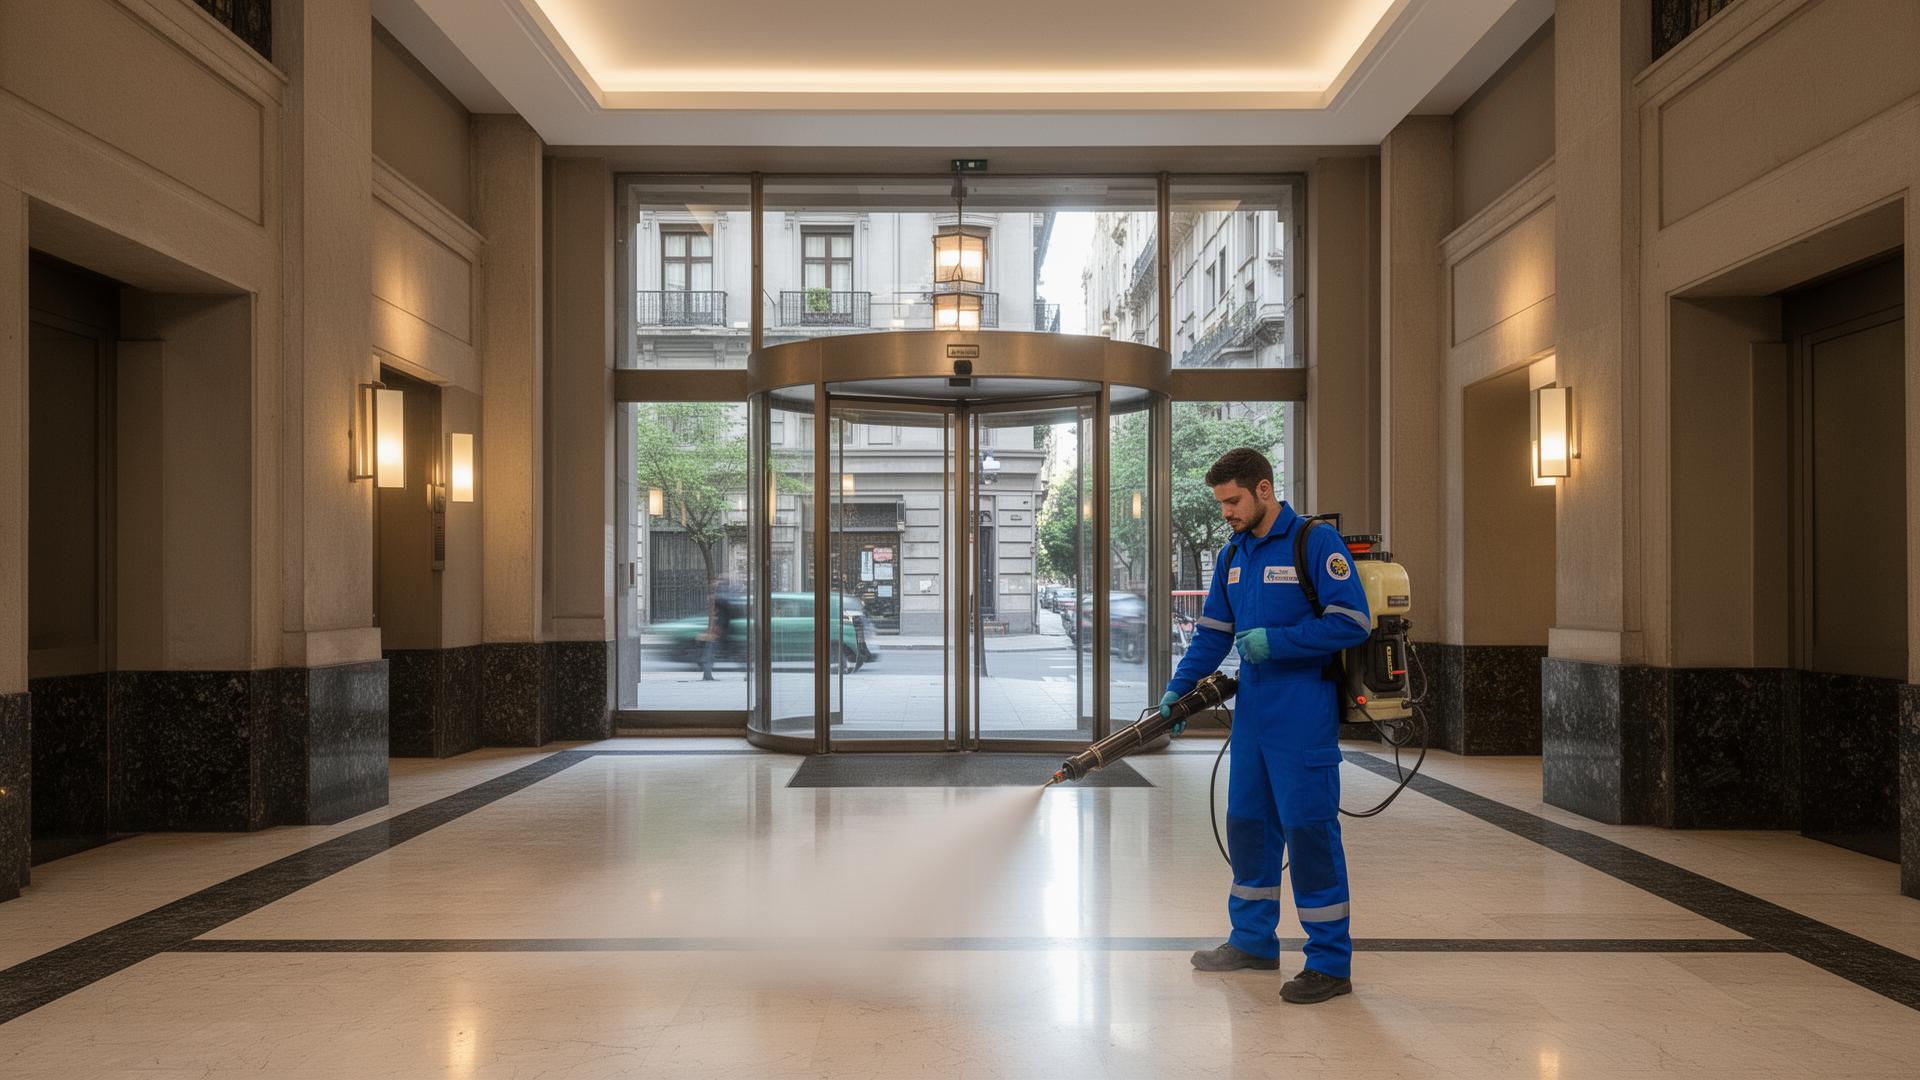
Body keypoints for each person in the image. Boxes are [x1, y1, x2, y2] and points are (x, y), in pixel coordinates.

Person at [1162, 447, 1372, 1005]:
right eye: (1221, 503)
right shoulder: (1233, 553)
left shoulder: (1312, 542)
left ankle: (1330, 962)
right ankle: (1253, 940)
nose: (1225, 512)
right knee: (1248, 823)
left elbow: (1353, 621)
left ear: (1262, 489)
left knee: (1308, 830)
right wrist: (1177, 691)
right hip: (1253, 711)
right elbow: (1211, 633)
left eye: (1232, 501)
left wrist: (1276, 642)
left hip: (1303, 708)